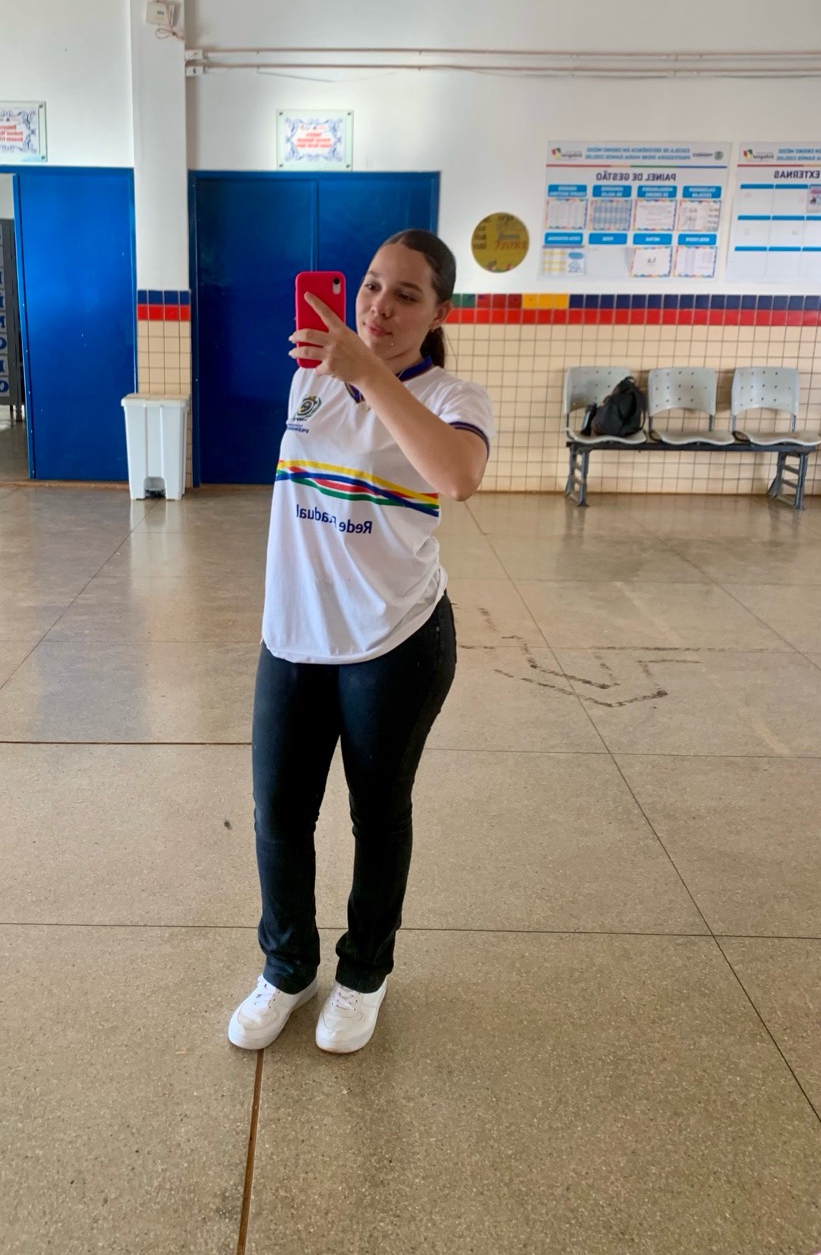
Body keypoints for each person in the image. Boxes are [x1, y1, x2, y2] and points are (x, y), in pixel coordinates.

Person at [228, 229, 495, 1056]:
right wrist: (345, 370)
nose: (379, 306)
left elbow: (456, 476)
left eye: (406, 294)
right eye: (373, 285)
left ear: (439, 312)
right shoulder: (310, 375)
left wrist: (371, 373)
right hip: (294, 634)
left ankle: (364, 974)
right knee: (279, 813)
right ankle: (286, 968)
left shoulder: (453, 396)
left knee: (377, 816)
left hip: (394, 639)